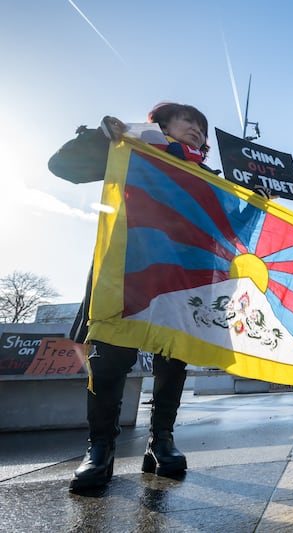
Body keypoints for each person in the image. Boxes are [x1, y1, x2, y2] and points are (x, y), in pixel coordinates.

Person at [49, 103, 213, 490]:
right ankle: (100, 448)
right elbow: (64, 167)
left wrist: (253, 199)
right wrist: (102, 137)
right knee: (109, 361)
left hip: (178, 282)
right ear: (161, 125)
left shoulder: (207, 176)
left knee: (173, 363)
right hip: (123, 273)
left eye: (202, 128)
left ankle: (161, 442)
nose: (197, 130)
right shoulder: (131, 152)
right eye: (188, 120)